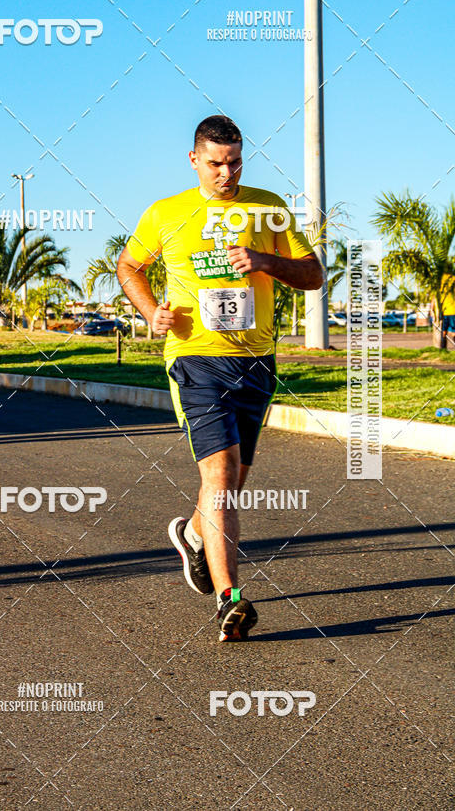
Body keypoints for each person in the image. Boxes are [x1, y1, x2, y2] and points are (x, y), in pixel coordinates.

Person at [117, 115, 323, 641]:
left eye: (233, 163)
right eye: (214, 164)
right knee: (222, 476)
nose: (225, 174)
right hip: (194, 358)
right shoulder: (166, 213)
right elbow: (129, 266)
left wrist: (264, 261)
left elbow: (314, 274)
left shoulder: (267, 207)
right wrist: (149, 312)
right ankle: (230, 599)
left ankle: (190, 533)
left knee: (232, 485)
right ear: (194, 160)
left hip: (257, 361)